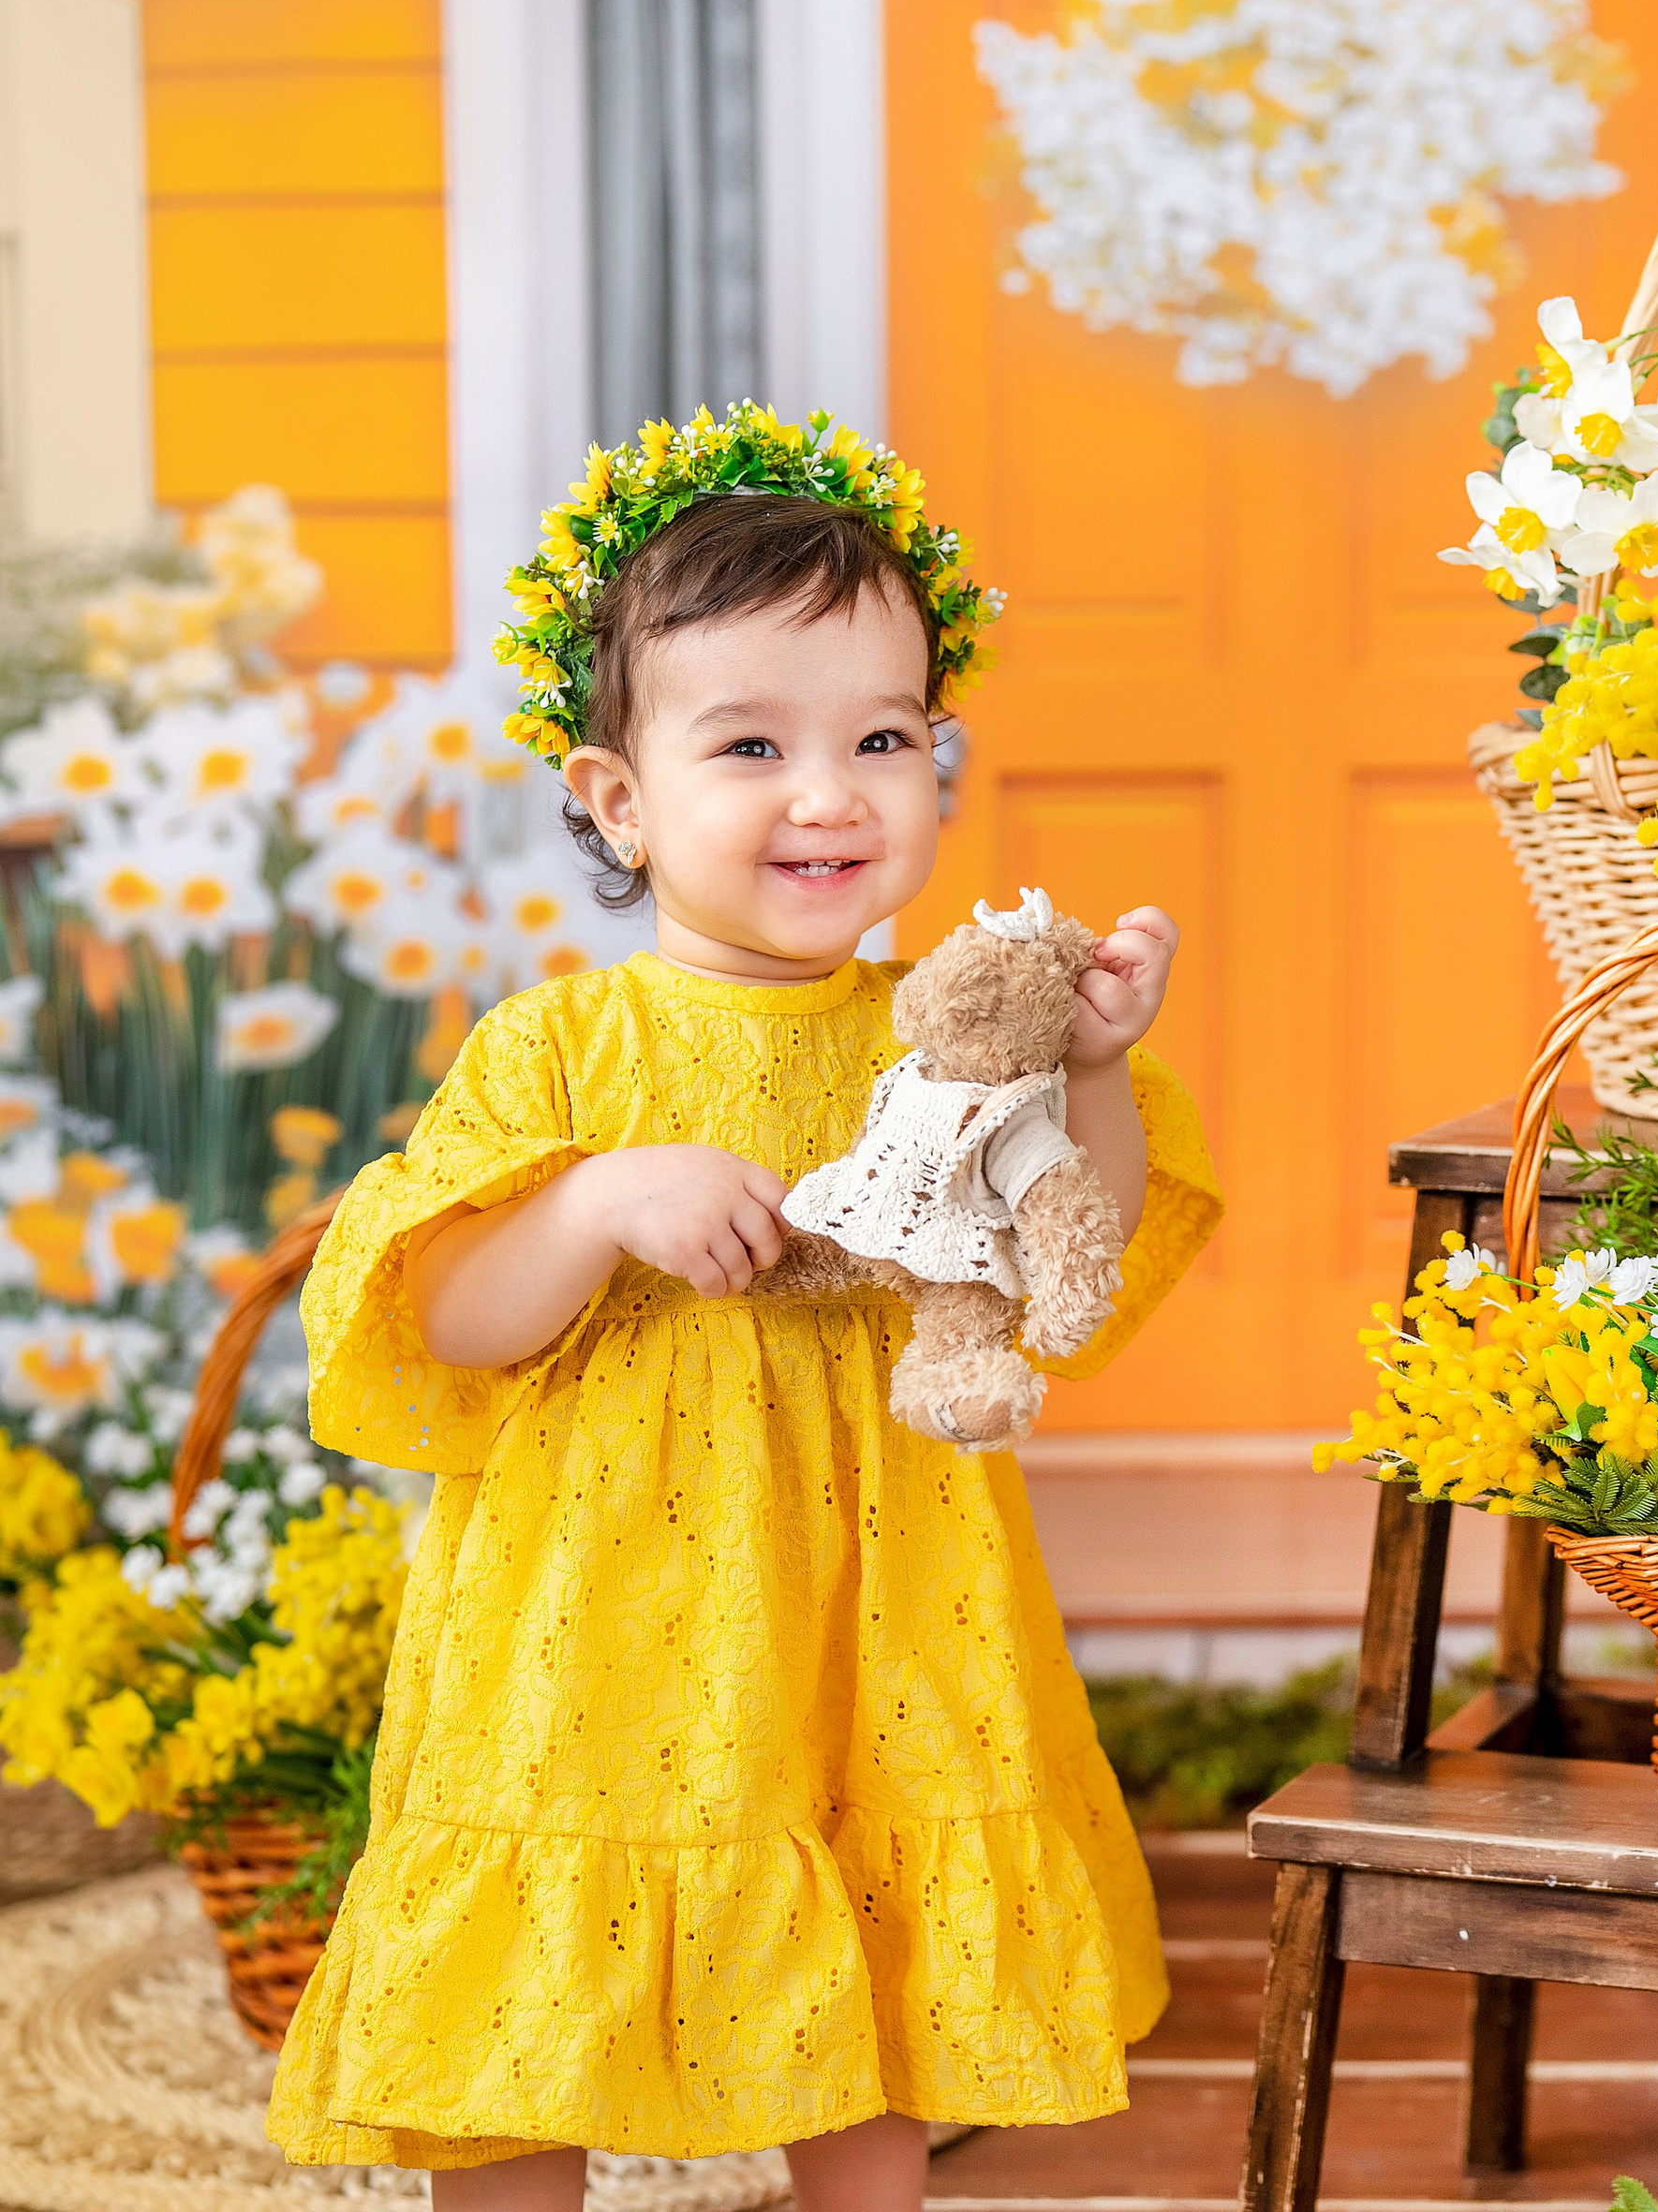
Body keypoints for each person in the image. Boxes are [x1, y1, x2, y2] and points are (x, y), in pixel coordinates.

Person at [265, 405, 1221, 2209]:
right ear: (617, 798)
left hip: (875, 1604)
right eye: (752, 743)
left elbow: (1055, 1277)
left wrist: (1090, 1069)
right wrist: (594, 1199)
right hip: (590, 1628)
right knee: (515, 2030)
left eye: (882, 736)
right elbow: (442, 1315)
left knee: (864, 1953)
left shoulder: (943, 1025)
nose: (830, 791)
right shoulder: (565, 1047)